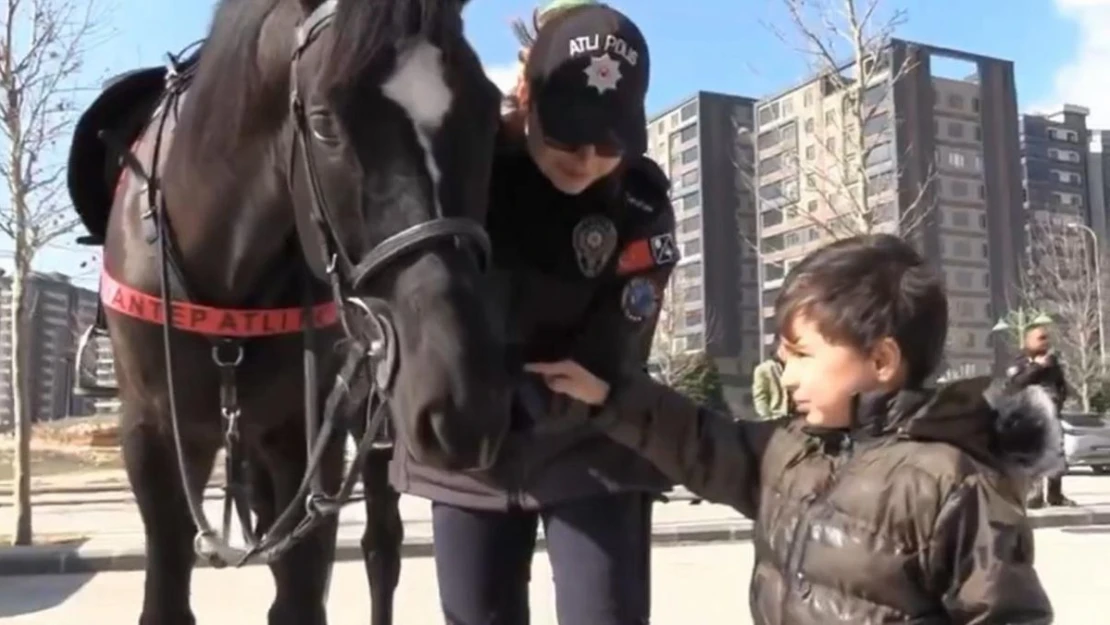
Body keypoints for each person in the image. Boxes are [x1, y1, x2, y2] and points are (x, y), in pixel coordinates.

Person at [527, 234, 1059, 624]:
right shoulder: (791, 448)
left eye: (803, 356)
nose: (788, 376)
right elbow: (702, 444)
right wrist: (611, 396)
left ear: (881, 360)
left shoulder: (950, 482)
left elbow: (1006, 613)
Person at [389, 3, 677, 624]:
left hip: (591, 440)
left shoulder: (637, 201)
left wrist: (579, 387)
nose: (587, 159)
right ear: (525, 92)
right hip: (469, 447)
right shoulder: (460, 164)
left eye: (610, 143)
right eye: (568, 137)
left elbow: (624, 329)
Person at [1007, 323, 1073, 507]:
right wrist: (1036, 366)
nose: (1045, 342)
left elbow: (1061, 385)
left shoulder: (1053, 361)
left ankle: (1055, 495)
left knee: (1057, 454)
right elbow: (1016, 384)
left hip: (1051, 414)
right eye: (1040, 338)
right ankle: (1034, 496)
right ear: (1028, 340)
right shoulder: (1020, 361)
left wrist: (1059, 400)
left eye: (1047, 338)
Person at [750, 343, 788, 420]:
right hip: (777, 417)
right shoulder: (763, 369)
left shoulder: (798, 368)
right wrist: (767, 418)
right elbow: (760, 397)